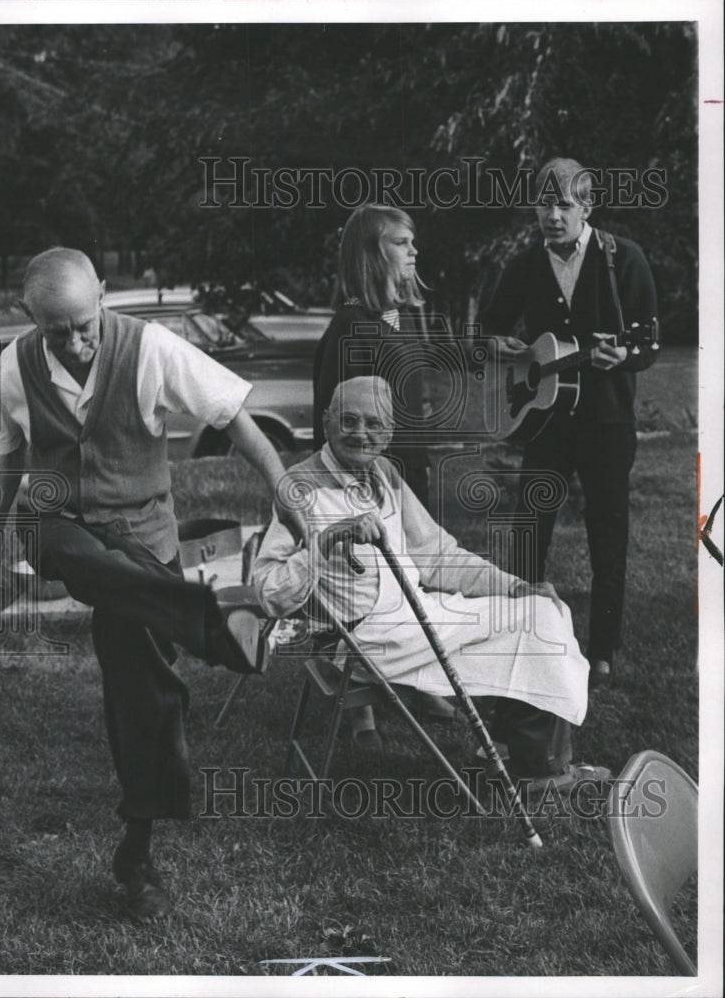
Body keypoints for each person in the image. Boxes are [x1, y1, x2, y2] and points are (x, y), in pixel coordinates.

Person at [0, 247, 293, 920]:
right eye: (56, 330)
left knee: (140, 689)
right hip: (57, 527)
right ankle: (206, 622)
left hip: (143, 544)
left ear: (105, 297)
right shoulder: (13, 366)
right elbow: (8, 459)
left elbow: (232, 411)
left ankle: (138, 857)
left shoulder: (151, 349)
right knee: (56, 532)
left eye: (84, 323)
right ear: (32, 319)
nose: (76, 340)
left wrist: (282, 485)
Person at [254, 376, 610, 791]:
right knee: (535, 630)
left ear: (389, 433)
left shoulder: (383, 472)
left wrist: (513, 587)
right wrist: (321, 544)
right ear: (327, 421)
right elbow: (267, 590)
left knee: (540, 610)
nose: (360, 433)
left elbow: (437, 555)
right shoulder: (300, 487)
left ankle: (505, 752)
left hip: (416, 614)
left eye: (373, 424)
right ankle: (539, 771)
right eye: (348, 421)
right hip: (368, 641)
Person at [481, 158, 659, 687]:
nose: (552, 216)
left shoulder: (622, 258)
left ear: (587, 207)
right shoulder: (523, 265)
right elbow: (488, 330)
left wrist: (622, 358)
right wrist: (496, 344)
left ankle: (602, 650)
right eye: (544, 203)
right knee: (530, 530)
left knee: (608, 534)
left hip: (606, 422)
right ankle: (522, 637)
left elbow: (648, 343)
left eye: (563, 205)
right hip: (545, 424)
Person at [313, 203, 430, 507]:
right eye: (401, 243)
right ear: (372, 254)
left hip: (411, 474)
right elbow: (332, 424)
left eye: (412, 242)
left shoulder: (404, 317)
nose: (413, 251)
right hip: (370, 484)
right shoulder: (349, 324)